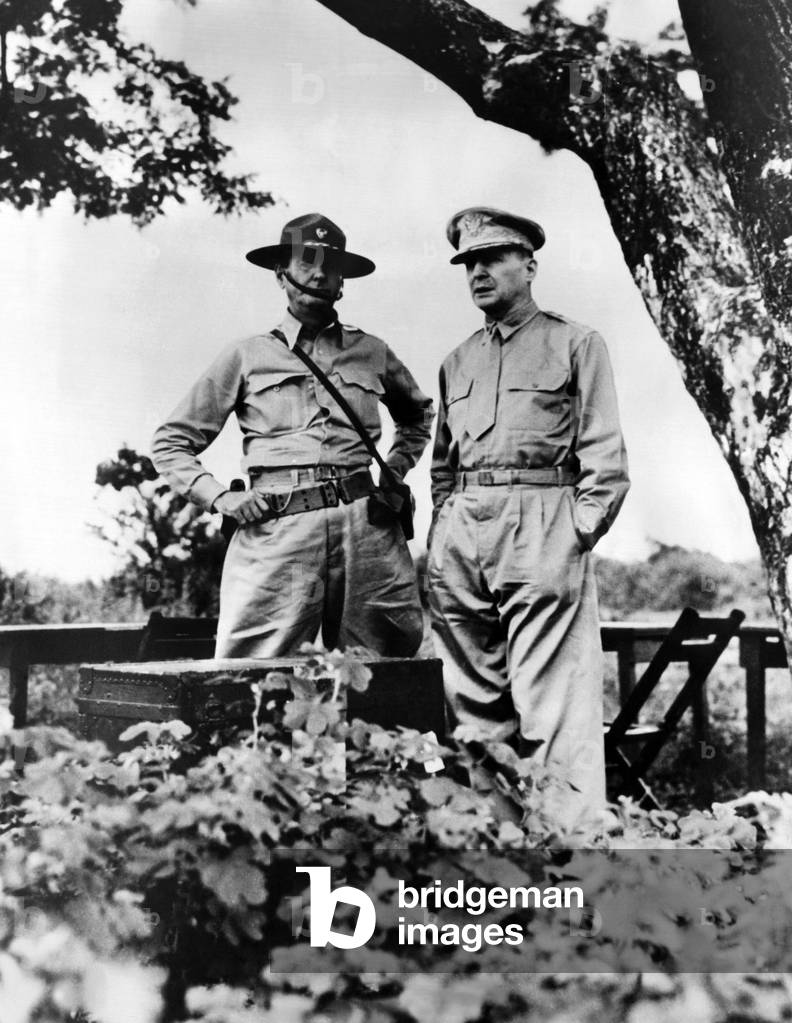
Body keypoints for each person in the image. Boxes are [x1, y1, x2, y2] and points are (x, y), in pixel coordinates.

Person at [151, 213, 433, 658]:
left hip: (367, 528)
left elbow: (417, 415)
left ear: (343, 281)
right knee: (253, 669)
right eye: (306, 262)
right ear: (281, 274)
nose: (319, 273)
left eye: (330, 264)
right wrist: (221, 499)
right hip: (277, 527)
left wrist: (394, 471)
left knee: (387, 663)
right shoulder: (248, 355)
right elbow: (171, 442)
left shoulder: (372, 351)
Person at [428, 206, 630, 822]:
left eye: (493, 258)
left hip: (543, 519)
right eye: (469, 263)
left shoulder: (576, 342)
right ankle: (495, 849)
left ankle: (571, 858)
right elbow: (441, 464)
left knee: (556, 704)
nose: (478, 272)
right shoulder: (456, 360)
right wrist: (444, 530)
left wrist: (577, 530)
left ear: (530, 265)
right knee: (470, 704)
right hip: (463, 531)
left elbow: (606, 456)